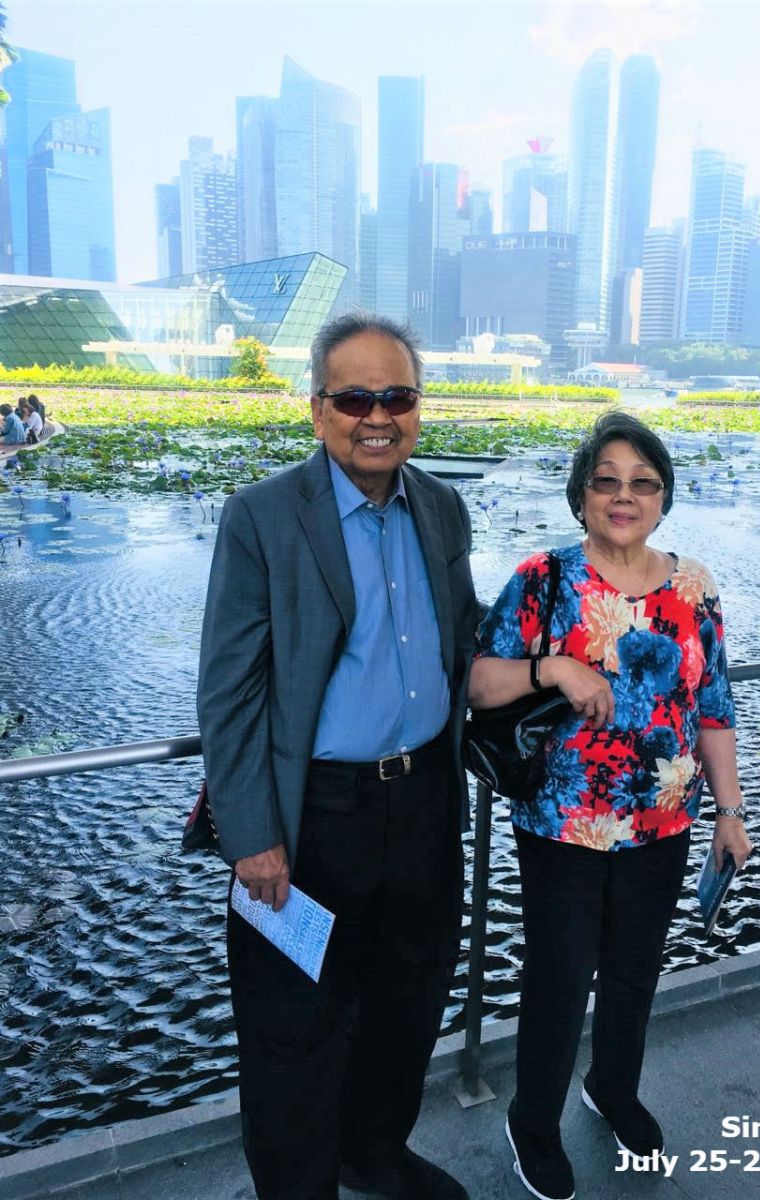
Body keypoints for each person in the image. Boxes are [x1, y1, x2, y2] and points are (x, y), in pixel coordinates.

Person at [197, 311, 478, 1200]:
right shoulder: (262, 518)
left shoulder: (441, 507)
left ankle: (374, 1153)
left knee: (409, 1002)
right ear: (319, 409)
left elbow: (466, 642)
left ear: (417, 407)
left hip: (424, 800)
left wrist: (557, 659)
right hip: (311, 813)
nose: (378, 416)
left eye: (397, 396)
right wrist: (252, 834)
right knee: (292, 1030)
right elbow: (229, 691)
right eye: (355, 398)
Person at [469, 412, 752, 1200]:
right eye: (607, 481)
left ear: (663, 498)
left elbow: (715, 709)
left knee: (634, 970)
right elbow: (480, 683)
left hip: (664, 819)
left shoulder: (694, 587)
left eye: (643, 483)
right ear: (582, 495)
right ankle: (533, 1121)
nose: (624, 496)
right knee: (560, 979)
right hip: (564, 822)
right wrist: (555, 667)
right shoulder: (543, 578)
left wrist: (730, 814)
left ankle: (613, 1088)